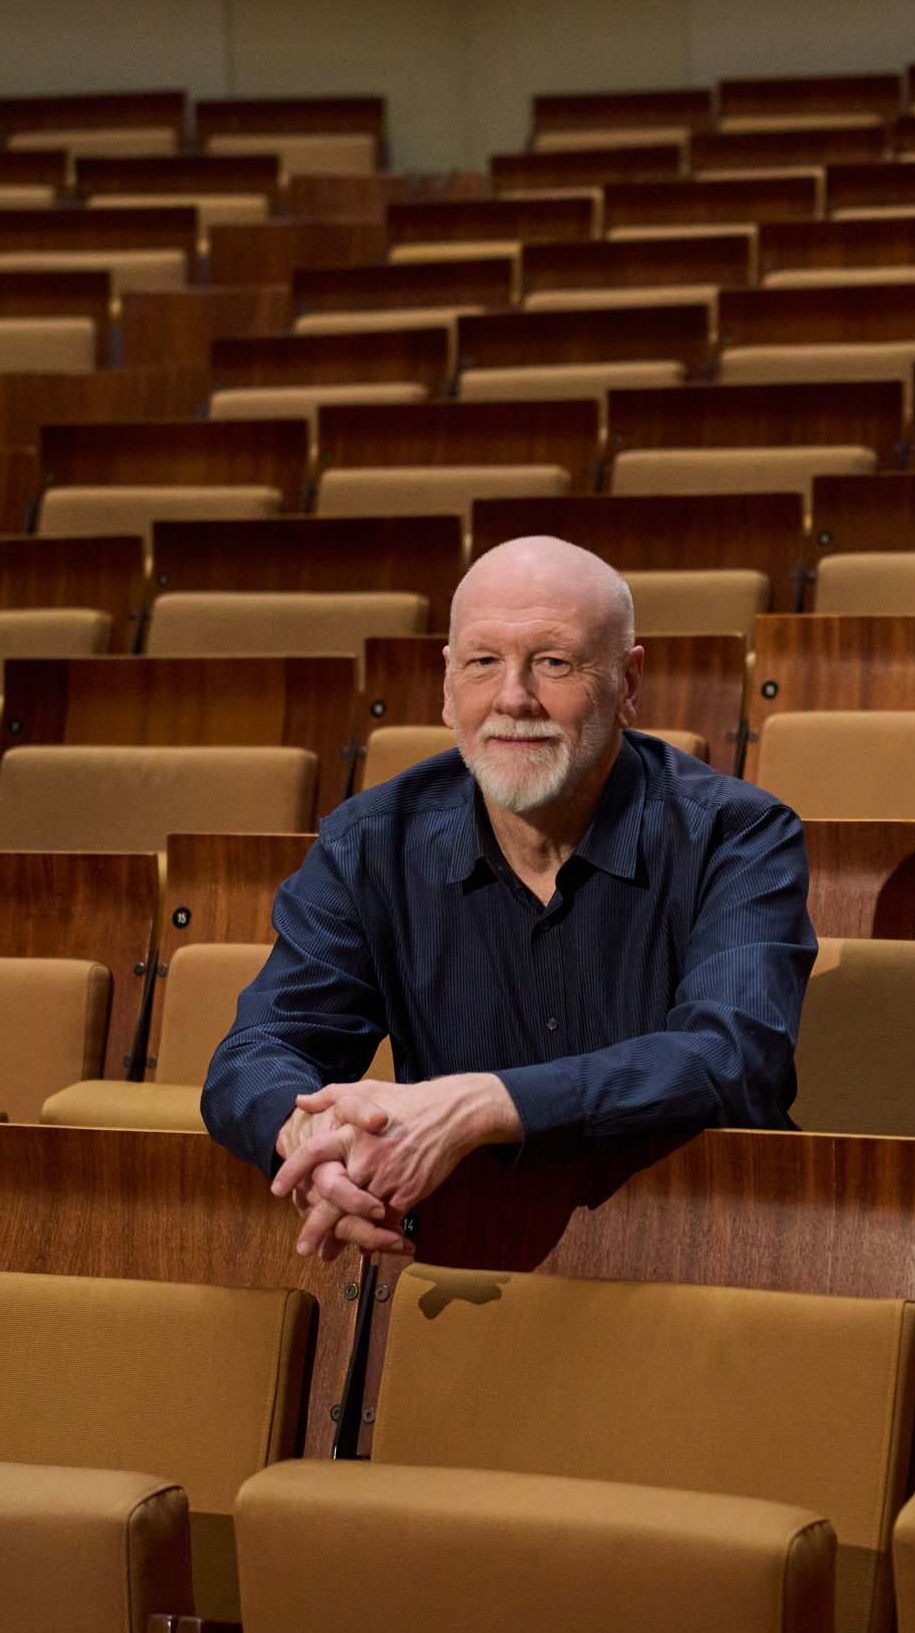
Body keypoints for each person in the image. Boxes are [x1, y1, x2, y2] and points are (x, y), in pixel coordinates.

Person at [202, 535, 814, 1260]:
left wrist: (484, 1104)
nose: (513, 698)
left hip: (702, 1246)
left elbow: (732, 1056)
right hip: (466, 1253)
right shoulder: (369, 842)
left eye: (553, 663)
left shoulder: (738, 835)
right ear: (446, 686)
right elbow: (259, 1050)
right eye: (483, 662)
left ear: (628, 684)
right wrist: (309, 1136)